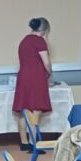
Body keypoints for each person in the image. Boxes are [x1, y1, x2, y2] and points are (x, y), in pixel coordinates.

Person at [13, 17, 53, 151]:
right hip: (36, 77)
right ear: (45, 30)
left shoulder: (24, 41)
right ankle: (34, 143)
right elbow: (46, 63)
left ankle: (24, 142)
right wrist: (49, 73)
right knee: (36, 109)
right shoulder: (39, 41)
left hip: (23, 76)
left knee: (24, 110)